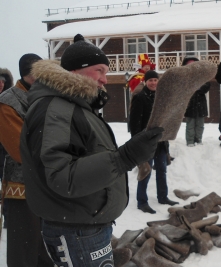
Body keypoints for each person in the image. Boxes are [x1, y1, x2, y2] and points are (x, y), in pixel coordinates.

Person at [20, 34, 163, 266]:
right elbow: (61, 176)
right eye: (99, 71)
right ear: (76, 70)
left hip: (84, 224)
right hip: (76, 230)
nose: (105, 80)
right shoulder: (57, 109)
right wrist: (124, 158)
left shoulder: (74, 106)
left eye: (106, 72)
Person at [0, 55, 54, 266]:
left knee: (43, 247)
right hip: (21, 188)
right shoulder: (8, 102)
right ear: (29, 74)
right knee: (23, 249)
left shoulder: (46, 96)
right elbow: (20, 150)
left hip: (47, 184)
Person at [129, 70, 179, 214]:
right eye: (150, 80)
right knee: (145, 171)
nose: (153, 83)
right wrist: (137, 140)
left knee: (162, 170)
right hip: (146, 141)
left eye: (155, 80)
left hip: (160, 141)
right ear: (145, 82)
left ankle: (163, 197)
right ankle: (142, 201)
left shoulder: (161, 97)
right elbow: (134, 123)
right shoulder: (140, 98)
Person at [183, 56, 211, 146]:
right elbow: (182, 87)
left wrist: (199, 87)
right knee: (190, 124)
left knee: (200, 124)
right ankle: (190, 141)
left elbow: (207, 86)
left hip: (200, 103)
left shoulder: (202, 75)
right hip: (189, 103)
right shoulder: (184, 75)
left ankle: (198, 139)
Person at [0, 67, 14, 230]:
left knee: (9, 189)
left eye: (3, 82)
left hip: (6, 151)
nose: (0, 85)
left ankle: (8, 219)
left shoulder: (9, 102)